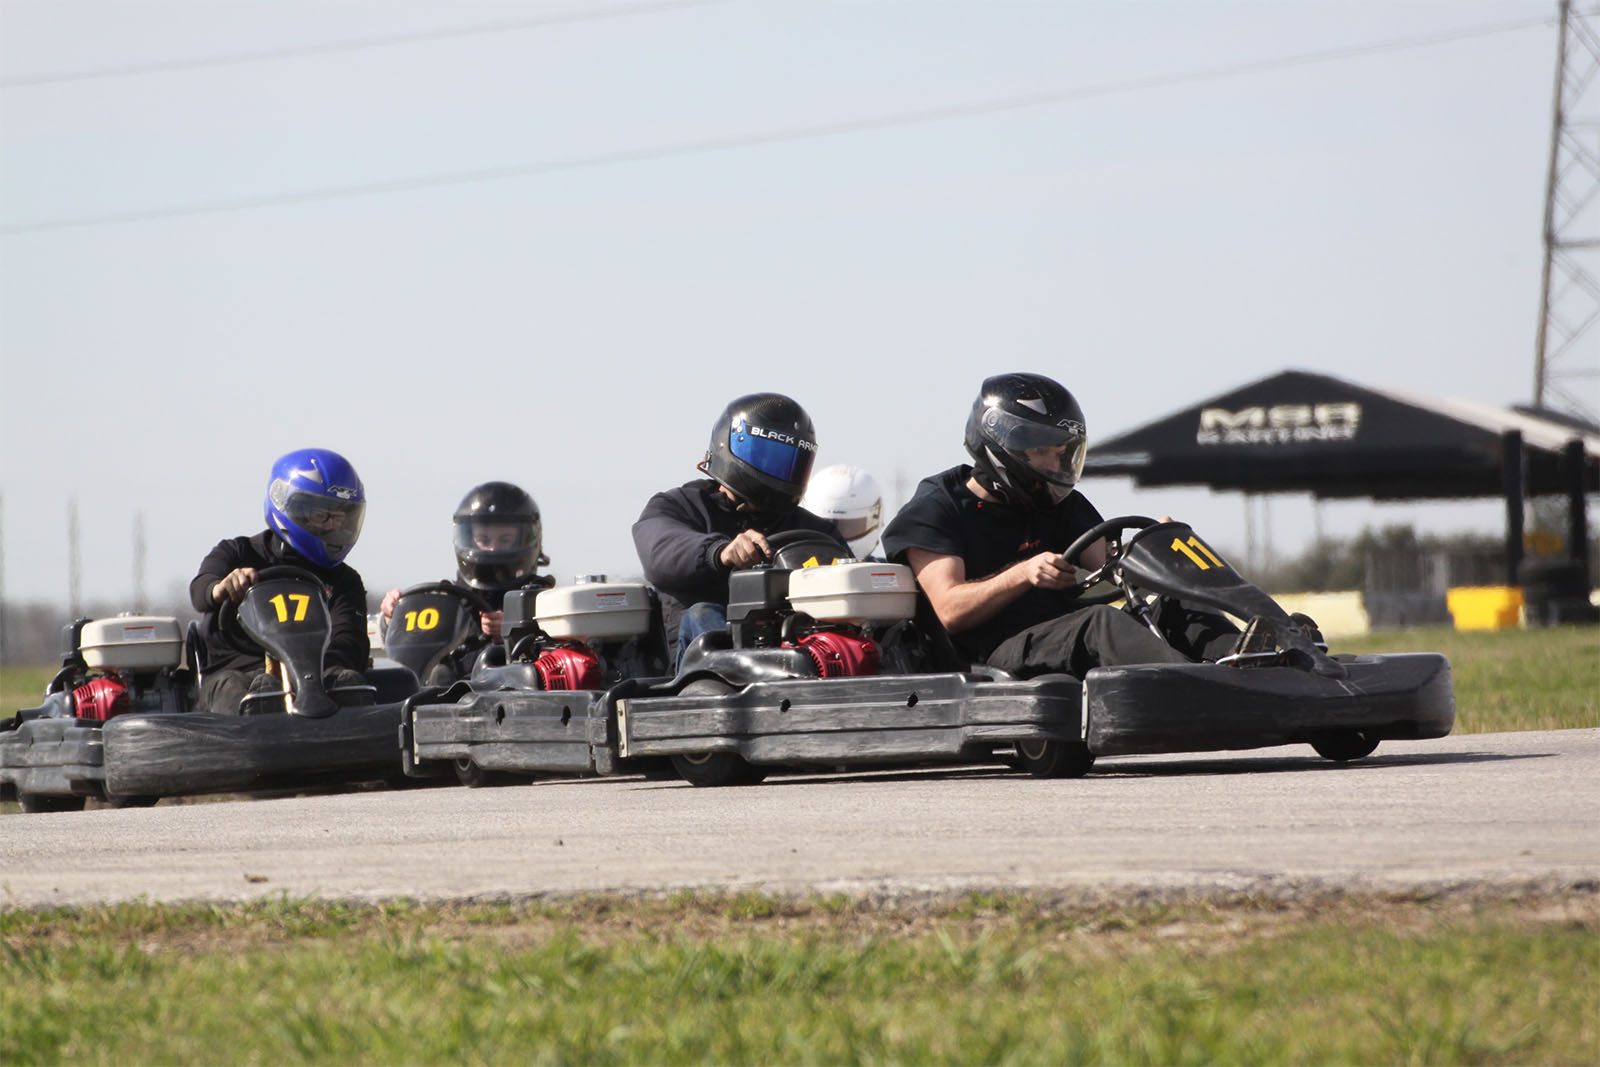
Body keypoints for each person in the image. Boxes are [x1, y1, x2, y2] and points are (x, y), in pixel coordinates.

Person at [881, 372, 1240, 679]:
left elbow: (1113, 566)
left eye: (1063, 452)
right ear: (1005, 446)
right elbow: (950, 611)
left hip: (1063, 636)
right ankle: (1199, 684)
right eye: (1044, 451)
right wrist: (1023, 574)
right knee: (1100, 623)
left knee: (1178, 605)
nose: (1057, 464)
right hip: (990, 650)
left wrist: (1153, 546)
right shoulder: (936, 509)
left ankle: (1256, 663)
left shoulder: (1056, 502)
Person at [633, 391, 845, 663]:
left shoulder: (816, 531)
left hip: (800, 657)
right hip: (701, 675)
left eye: (789, 462)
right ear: (728, 445)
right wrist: (720, 552)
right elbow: (659, 550)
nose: (778, 472)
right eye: (767, 457)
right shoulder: (679, 506)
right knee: (704, 613)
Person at [189, 448, 372, 715]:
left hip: (317, 675)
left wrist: (307, 673)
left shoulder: (344, 580)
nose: (333, 527)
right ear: (290, 506)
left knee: (349, 685)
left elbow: (348, 643)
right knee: (253, 694)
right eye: (323, 516)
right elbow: (200, 590)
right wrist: (221, 588)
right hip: (237, 671)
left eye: (341, 517)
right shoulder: (237, 553)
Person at [379, 481, 551, 643]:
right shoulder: (448, 602)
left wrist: (516, 628)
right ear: (469, 538)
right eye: (484, 540)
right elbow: (414, 649)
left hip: (518, 674)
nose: (492, 549)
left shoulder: (544, 603)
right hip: (454, 675)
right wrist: (393, 616)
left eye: (504, 540)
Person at [800, 463, 886, 560]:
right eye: (821, 528)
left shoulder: (892, 573)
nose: (835, 538)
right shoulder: (786, 568)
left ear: (875, 518)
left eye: (850, 527)